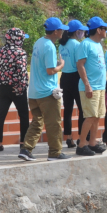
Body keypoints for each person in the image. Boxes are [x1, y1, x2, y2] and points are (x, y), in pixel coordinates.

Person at [20, 18, 69, 162]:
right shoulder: (49, 46)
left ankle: (26, 149)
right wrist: (61, 65)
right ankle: (55, 153)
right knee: (54, 123)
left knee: (37, 121)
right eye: (61, 29)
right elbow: (50, 70)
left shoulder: (39, 42)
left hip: (34, 92)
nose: (63, 31)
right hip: (46, 93)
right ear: (56, 31)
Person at [0, 28, 30, 153]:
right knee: (24, 115)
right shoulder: (20, 52)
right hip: (17, 88)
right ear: (19, 39)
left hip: (2, 88)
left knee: (1, 114)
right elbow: (21, 70)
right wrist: (22, 85)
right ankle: (23, 143)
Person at [75, 16, 107, 157]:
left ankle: (93, 143)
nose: (106, 31)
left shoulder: (98, 45)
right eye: (105, 29)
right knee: (90, 116)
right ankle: (82, 144)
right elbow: (80, 65)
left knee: (97, 116)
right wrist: (87, 85)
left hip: (100, 86)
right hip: (90, 87)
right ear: (98, 30)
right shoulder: (86, 44)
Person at [59, 20, 88, 149]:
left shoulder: (61, 45)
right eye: (80, 30)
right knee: (82, 109)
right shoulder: (77, 44)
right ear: (77, 32)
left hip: (64, 77)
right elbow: (80, 63)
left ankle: (69, 137)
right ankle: (82, 136)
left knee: (68, 109)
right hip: (75, 77)